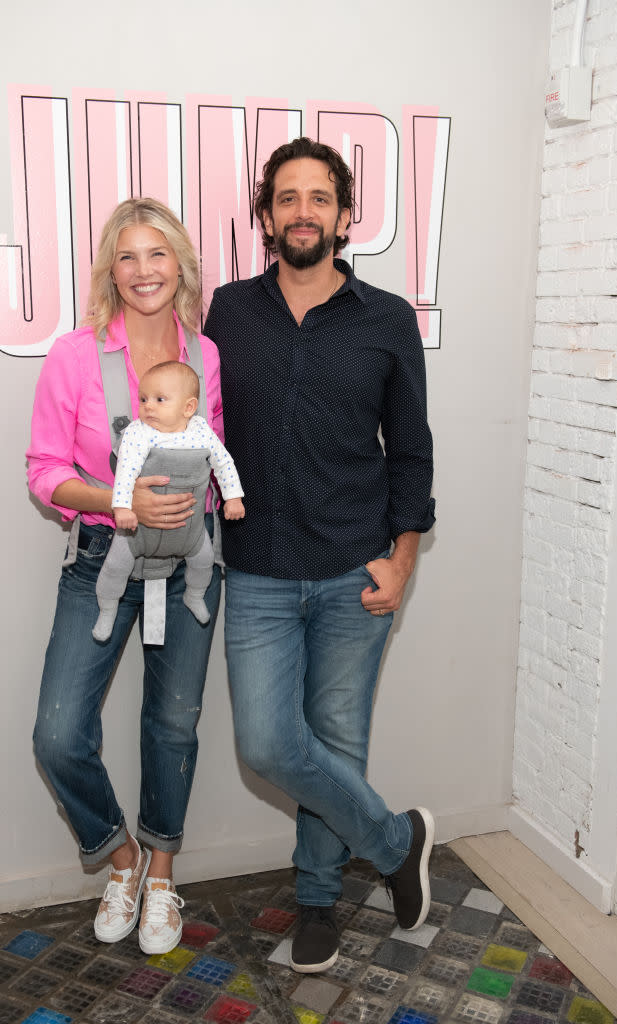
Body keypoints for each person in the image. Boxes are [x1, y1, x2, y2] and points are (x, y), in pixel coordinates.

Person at [204, 137, 436, 974]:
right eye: (286, 198)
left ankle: (315, 904)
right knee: (269, 744)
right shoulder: (226, 311)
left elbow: (410, 451)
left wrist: (402, 560)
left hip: (353, 568)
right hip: (259, 566)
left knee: (336, 741)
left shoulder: (386, 320)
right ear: (264, 215)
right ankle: (394, 840)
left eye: (319, 198)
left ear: (346, 216)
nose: (303, 212)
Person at [28, 197, 224, 955]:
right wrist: (120, 499)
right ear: (111, 269)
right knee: (57, 734)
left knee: (173, 724)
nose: (143, 271)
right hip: (99, 561)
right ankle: (121, 859)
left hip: (189, 565)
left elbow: (214, 451)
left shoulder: (205, 356)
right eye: (127, 256)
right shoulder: (74, 355)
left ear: (180, 265)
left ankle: (164, 879)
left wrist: (208, 504)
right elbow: (44, 471)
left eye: (157, 254)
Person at [93, 360, 244, 642]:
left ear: (188, 407)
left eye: (159, 399)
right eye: (143, 399)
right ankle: (108, 608)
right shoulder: (139, 433)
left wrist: (233, 497)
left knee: (204, 560)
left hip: (189, 531)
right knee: (116, 565)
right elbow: (126, 472)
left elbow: (224, 463)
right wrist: (122, 507)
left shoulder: (201, 431)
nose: (148, 406)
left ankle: (194, 595)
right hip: (137, 532)